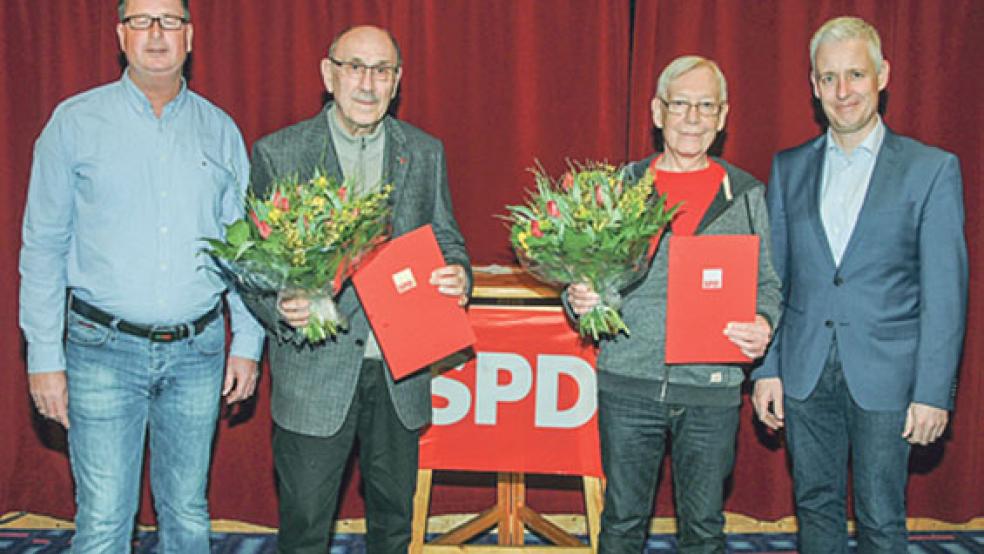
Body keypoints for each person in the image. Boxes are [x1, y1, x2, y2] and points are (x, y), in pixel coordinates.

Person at [18, 0, 265, 552]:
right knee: (104, 519)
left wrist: (248, 342)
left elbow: (245, 249)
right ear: (121, 35)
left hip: (199, 352)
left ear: (189, 37)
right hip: (100, 352)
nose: (156, 33)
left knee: (188, 513)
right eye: (141, 21)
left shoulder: (220, 129)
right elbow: (43, 246)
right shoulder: (73, 123)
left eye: (170, 21)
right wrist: (44, 357)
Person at [244, 25, 471, 554]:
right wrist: (281, 306)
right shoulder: (280, 153)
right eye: (355, 68)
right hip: (315, 373)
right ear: (329, 74)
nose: (368, 84)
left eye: (382, 71)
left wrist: (460, 275)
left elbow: (448, 239)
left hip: (398, 371)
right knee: (305, 529)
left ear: (397, 81)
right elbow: (252, 266)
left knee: (394, 526)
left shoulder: (424, 152)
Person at [751, 16, 967, 552]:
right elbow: (771, 279)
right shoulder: (789, 169)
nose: (842, 91)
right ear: (813, 85)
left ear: (882, 75)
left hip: (889, 377)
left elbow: (945, 295)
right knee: (814, 508)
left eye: (855, 75)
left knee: (880, 517)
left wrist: (932, 393)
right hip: (804, 372)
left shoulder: (931, 170)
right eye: (829, 78)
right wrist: (767, 369)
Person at [566, 56, 782, 553]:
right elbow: (579, 276)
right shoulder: (619, 188)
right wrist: (578, 298)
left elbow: (768, 284)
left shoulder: (745, 193)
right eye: (680, 104)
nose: (692, 118)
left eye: (705, 106)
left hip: (711, 389)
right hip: (628, 383)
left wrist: (764, 321)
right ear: (657, 112)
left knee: (704, 528)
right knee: (621, 523)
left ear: (722, 117)